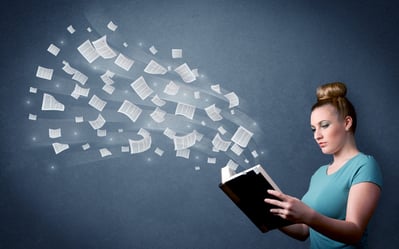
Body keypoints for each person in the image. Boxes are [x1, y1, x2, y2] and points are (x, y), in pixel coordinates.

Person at [264, 82, 383, 249]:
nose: (317, 136)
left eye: (324, 125)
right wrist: (268, 213)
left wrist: (308, 215)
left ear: (347, 123)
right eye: (313, 129)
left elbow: (355, 232)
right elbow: (304, 231)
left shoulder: (364, 165)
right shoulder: (319, 174)